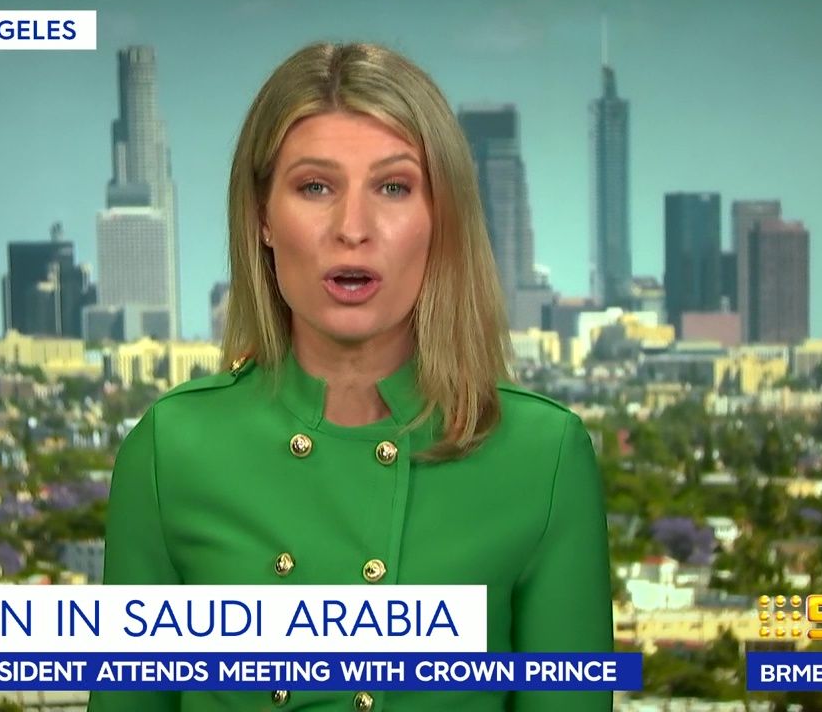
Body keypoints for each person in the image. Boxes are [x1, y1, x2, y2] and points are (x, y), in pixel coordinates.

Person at [90, 41, 612, 712]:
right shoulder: (172, 450)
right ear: (262, 218)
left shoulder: (542, 458)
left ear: (442, 218)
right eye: (315, 187)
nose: (353, 228)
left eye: (393, 187)